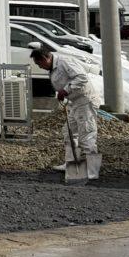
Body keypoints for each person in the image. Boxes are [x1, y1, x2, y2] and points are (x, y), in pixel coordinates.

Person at [30, 44, 101, 179]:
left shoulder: (64, 62)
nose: (40, 67)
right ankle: (71, 163)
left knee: (87, 135)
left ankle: (93, 170)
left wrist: (66, 90)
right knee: (68, 133)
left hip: (85, 102)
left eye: (39, 64)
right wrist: (63, 93)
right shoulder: (53, 67)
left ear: (46, 58)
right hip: (75, 103)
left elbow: (82, 77)